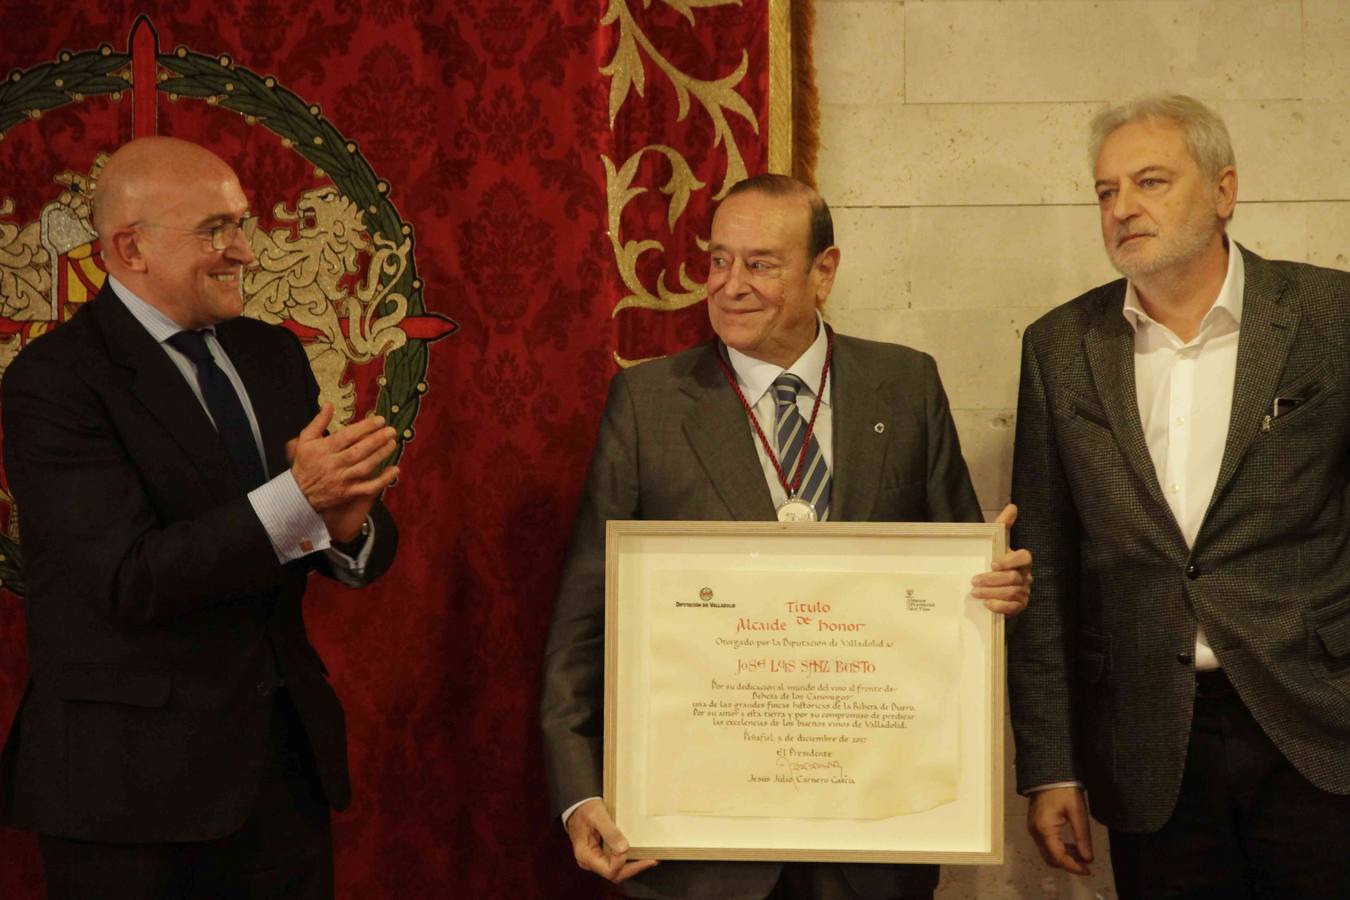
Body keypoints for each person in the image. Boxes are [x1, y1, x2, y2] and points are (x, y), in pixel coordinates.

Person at [540, 173, 1032, 900]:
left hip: (870, 846)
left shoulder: (906, 387)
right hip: (702, 853)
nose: (730, 285)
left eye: (761, 263)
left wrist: (996, 591)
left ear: (823, 272)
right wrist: (580, 794)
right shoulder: (648, 406)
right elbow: (585, 621)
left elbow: (957, 588)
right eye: (717, 260)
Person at [0, 136, 400, 899]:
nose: (244, 250)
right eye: (215, 230)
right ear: (130, 248)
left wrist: (348, 528)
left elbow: (323, 529)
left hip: (280, 776)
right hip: (129, 795)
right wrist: (298, 502)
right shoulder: (54, 382)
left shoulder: (271, 354)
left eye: (243, 225)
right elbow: (129, 578)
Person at [1008, 93, 1350, 898]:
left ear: (1224, 191)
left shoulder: (1331, 319)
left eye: (1151, 181)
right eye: (1105, 191)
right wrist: (1050, 765)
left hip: (1319, 727)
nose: (1123, 207)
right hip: (1150, 744)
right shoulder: (1059, 347)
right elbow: (1045, 570)